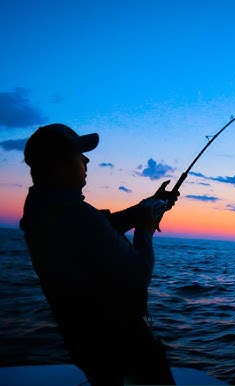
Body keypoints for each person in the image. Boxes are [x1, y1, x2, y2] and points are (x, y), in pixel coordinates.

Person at [19, 123, 180, 385]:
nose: (86, 159)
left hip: (86, 341)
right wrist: (145, 228)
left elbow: (100, 228)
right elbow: (138, 275)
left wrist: (148, 205)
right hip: (120, 343)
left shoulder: (43, 207)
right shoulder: (74, 213)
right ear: (59, 165)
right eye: (78, 154)